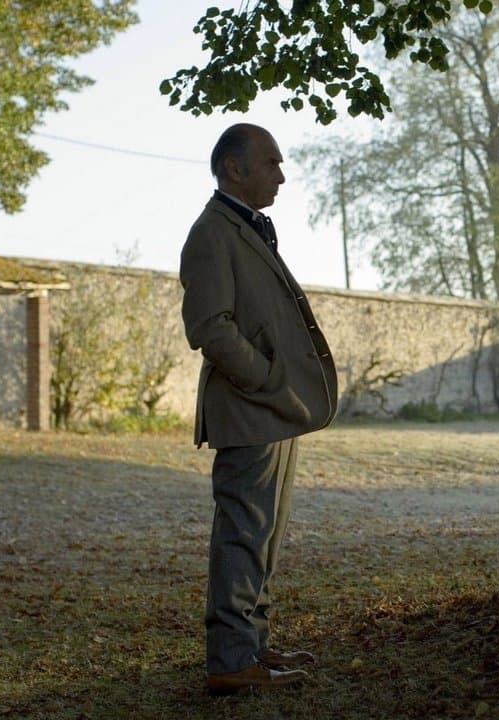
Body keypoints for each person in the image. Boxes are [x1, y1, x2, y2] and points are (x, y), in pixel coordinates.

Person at [179, 123, 338, 695]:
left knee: (265, 535)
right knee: (244, 532)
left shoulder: (245, 226)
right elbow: (210, 330)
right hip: (250, 408)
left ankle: (253, 647)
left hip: (272, 410)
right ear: (233, 169)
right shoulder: (211, 232)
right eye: (271, 163)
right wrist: (271, 380)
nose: (281, 174)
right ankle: (230, 662)